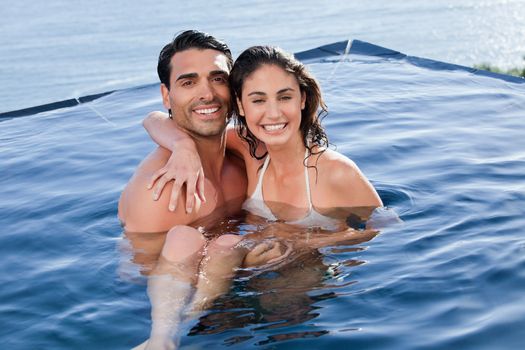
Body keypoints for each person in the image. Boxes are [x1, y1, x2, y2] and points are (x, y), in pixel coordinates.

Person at [145, 45, 383, 227]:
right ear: (240, 105)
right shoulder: (251, 150)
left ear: (302, 98)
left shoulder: (337, 171)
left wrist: (299, 243)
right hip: (259, 277)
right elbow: (153, 119)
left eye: (284, 97)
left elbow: (386, 230)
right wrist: (182, 146)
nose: (273, 114)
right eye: (258, 100)